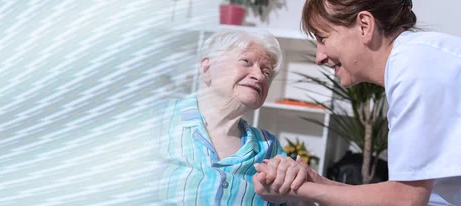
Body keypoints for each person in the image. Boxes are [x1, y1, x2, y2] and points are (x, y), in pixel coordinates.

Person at [253, 0, 461, 205]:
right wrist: (317, 183)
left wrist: (295, 188)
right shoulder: (417, 59)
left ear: (364, 26)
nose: (319, 57)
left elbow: (407, 199)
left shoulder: (414, 67)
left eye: (323, 38)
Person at [152, 30, 313, 205]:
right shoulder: (156, 119)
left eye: (266, 72)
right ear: (207, 68)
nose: (259, 76)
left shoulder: (269, 149)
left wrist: (299, 189)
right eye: (246, 62)